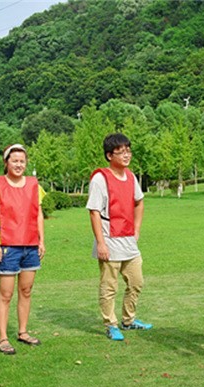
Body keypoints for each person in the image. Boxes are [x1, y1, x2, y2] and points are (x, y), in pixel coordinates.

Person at [87, 133, 151, 342]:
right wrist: (101, 243)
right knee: (109, 285)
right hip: (109, 239)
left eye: (128, 150)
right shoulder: (100, 179)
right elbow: (94, 212)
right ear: (109, 155)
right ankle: (110, 324)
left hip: (128, 239)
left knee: (136, 281)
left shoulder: (131, 177)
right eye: (120, 152)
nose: (126, 155)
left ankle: (129, 319)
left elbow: (139, 202)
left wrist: (138, 229)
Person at [0, 144, 46, 354]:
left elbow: (38, 214)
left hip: (30, 245)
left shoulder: (34, 185)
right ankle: (2, 338)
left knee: (26, 291)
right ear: (6, 163)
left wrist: (41, 240)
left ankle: (23, 331)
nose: (19, 165)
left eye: (22, 161)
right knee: (6, 293)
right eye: (14, 160)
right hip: (8, 246)